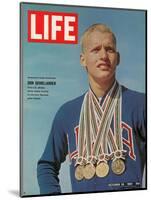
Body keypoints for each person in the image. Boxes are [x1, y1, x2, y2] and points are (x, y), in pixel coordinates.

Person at [37, 24, 146, 194]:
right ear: (83, 59)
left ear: (118, 58)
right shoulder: (66, 113)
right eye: (96, 49)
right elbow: (46, 165)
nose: (103, 55)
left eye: (109, 49)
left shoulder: (141, 104)